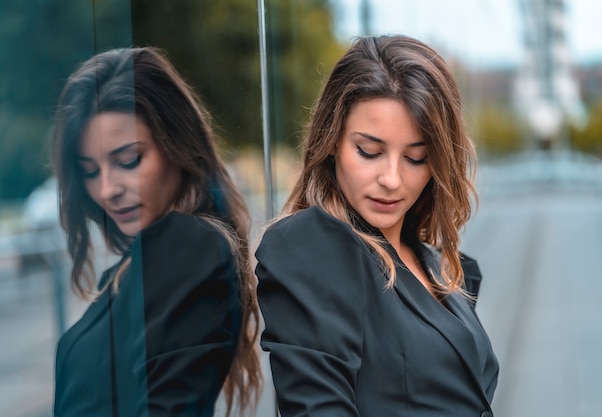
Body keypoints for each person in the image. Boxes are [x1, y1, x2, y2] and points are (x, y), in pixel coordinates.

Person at [255, 35, 499, 416]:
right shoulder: (308, 249)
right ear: (333, 139)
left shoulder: (445, 269)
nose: (391, 179)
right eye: (369, 151)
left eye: (416, 158)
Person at [51, 47, 261, 416]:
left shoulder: (187, 246)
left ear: (178, 145)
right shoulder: (145, 261)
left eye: (128, 160)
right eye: (89, 170)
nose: (106, 189)